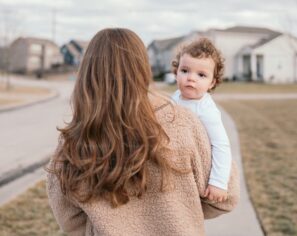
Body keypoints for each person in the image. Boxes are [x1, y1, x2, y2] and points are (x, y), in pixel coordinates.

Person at [47, 28, 239, 236]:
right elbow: (225, 198)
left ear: (87, 72)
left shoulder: (72, 141)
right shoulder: (182, 122)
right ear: (142, 68)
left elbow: (68, 219)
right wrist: (179, 213)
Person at [171, 37, 231, 203]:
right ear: (176, 72)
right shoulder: (175, 97)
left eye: (201, 75)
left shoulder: (206, 109)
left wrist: (218, 182)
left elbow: (221, 145)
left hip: (194, 169)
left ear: (212, 83)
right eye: (185, 71)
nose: (191, 78)